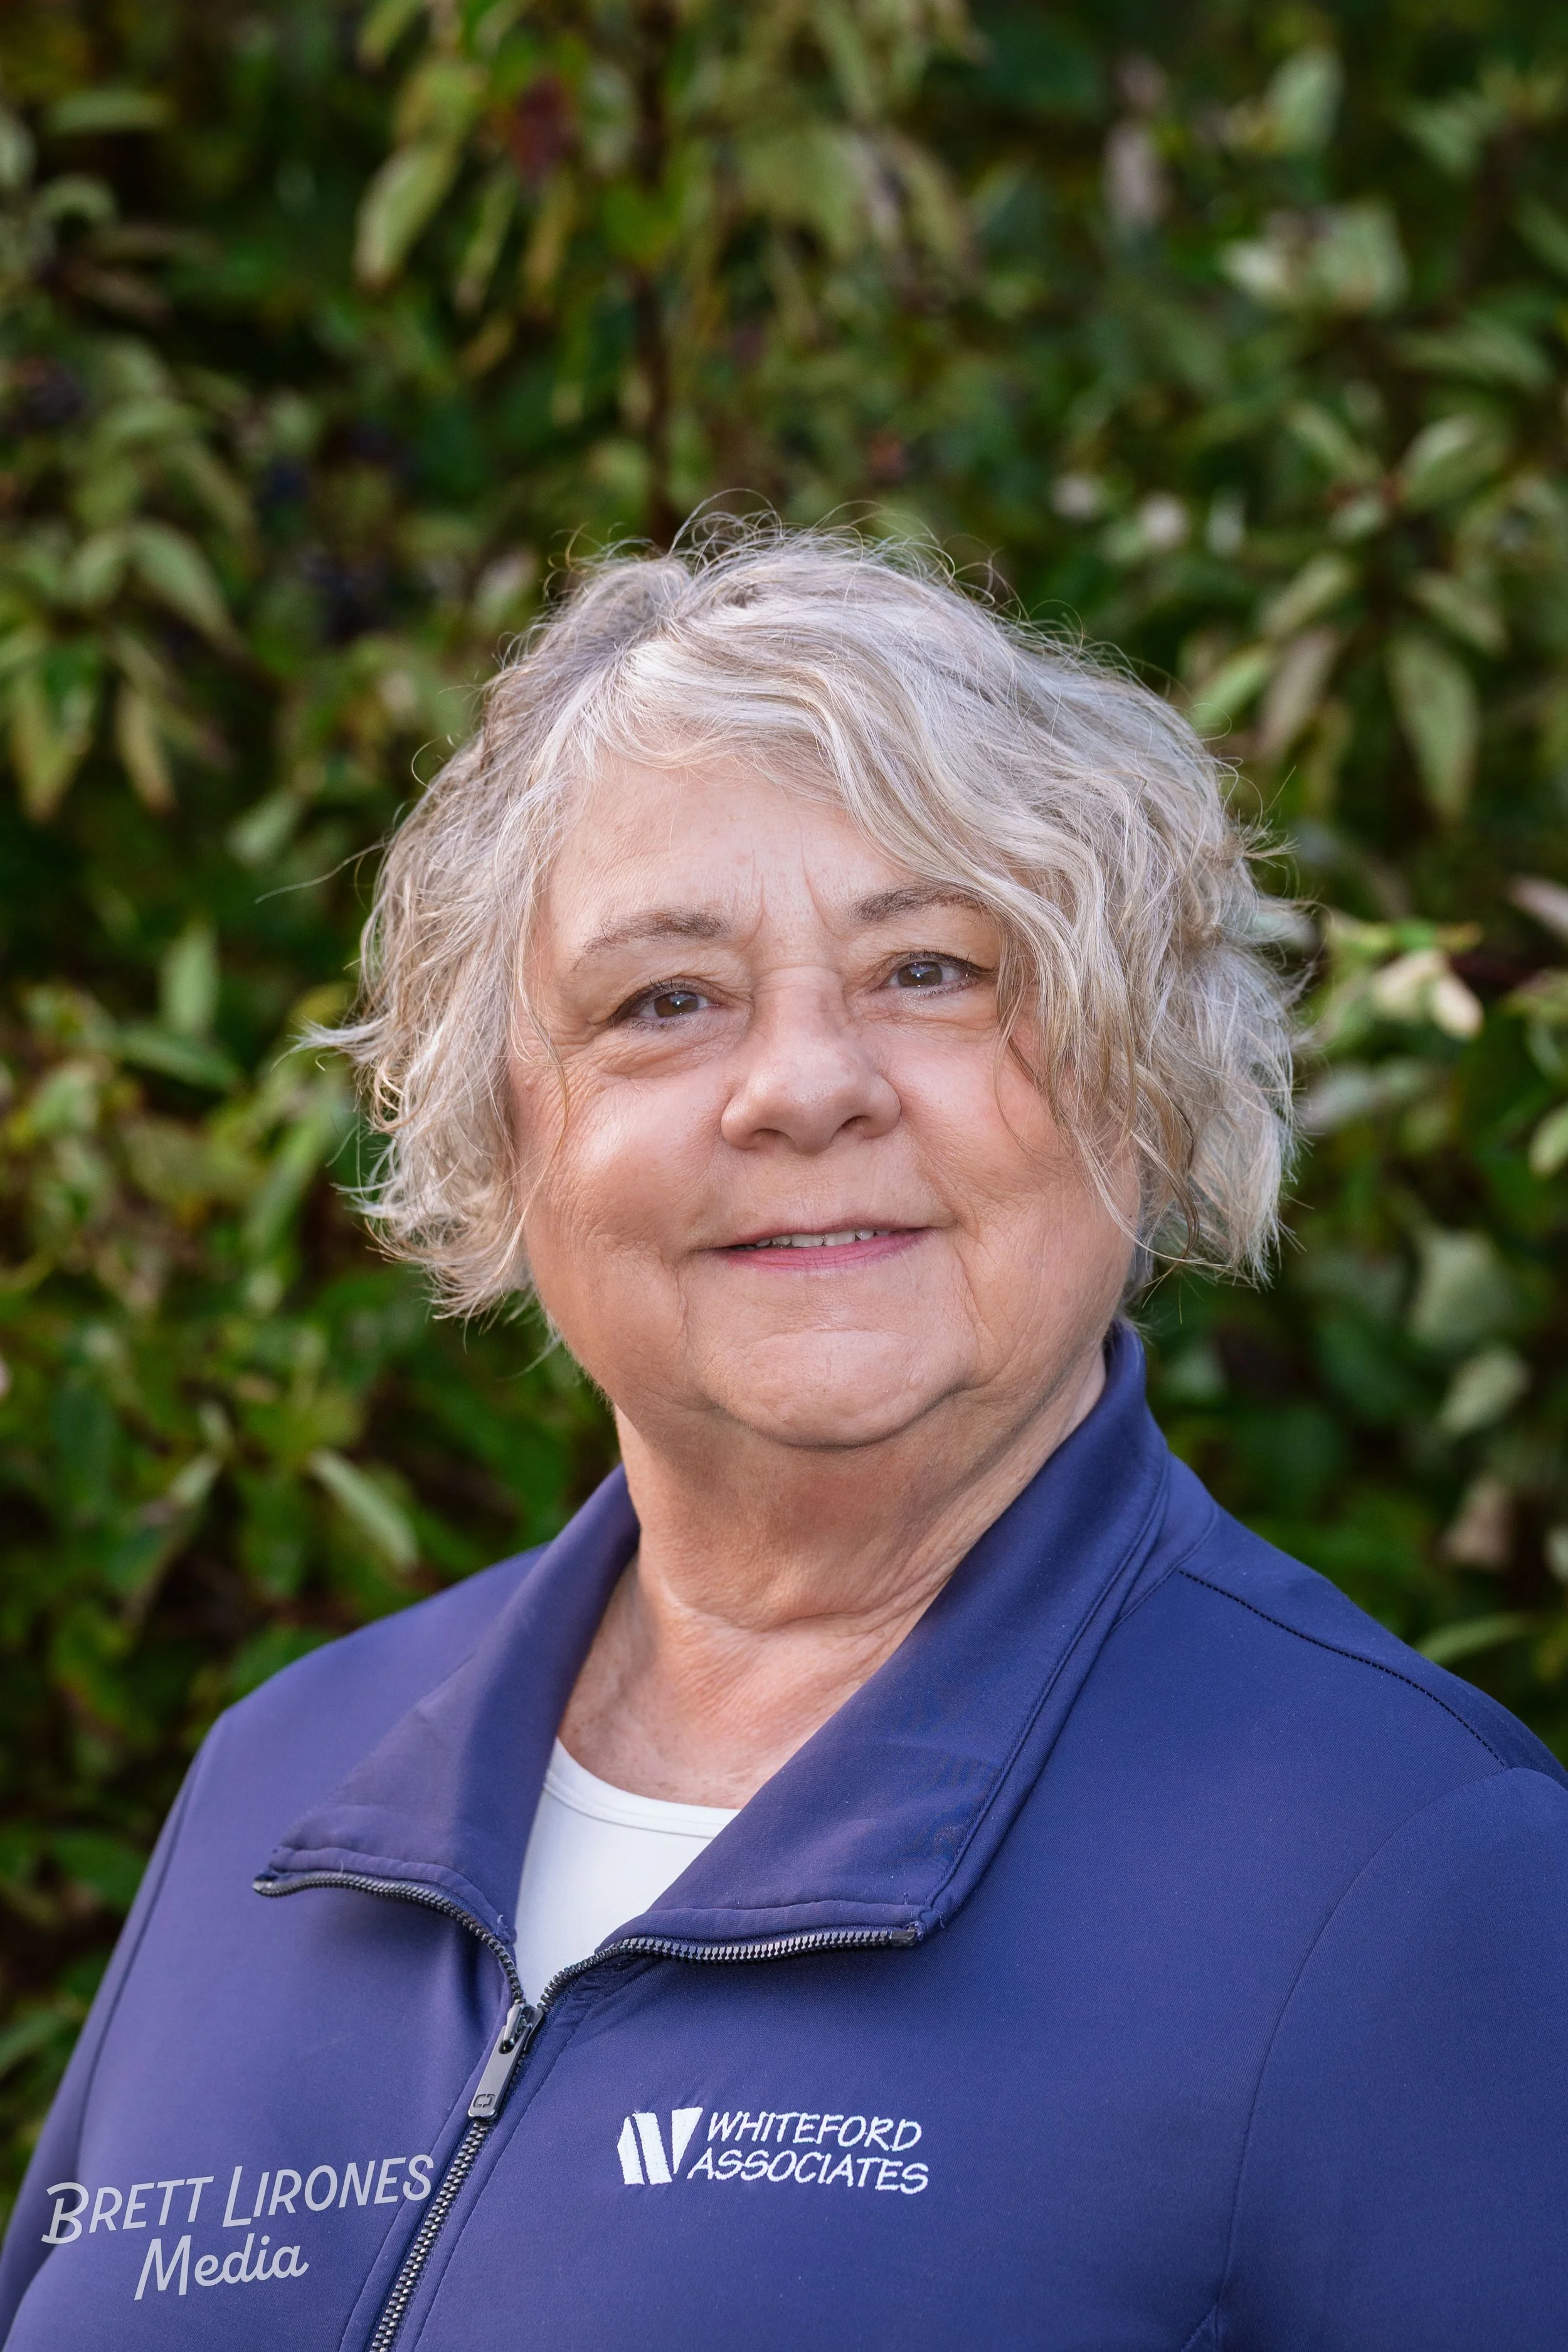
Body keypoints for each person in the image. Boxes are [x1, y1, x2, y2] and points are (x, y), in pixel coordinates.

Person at [3, 528, 1567, 2352]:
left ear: (1145, 1077)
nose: (805, 1082)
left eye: (933, 969)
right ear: (505, 1132)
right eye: (665, 998)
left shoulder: (1417, 1875)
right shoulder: (283, 1785)